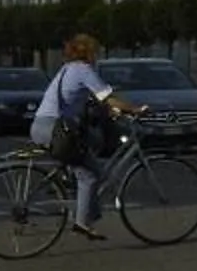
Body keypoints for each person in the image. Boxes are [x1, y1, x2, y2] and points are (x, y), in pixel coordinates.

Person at [29, 33, 144, 241]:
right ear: (88, 53)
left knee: (93, 144)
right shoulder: (83, 70)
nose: (96, 55)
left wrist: (111, 111)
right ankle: (82, 222)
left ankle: (85, 203)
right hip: (57, 130)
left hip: (43, 126)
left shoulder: (67, 69)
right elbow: (107, 97)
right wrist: (134, 109)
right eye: (94, 51)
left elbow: (91, 100)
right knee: (90, 175)